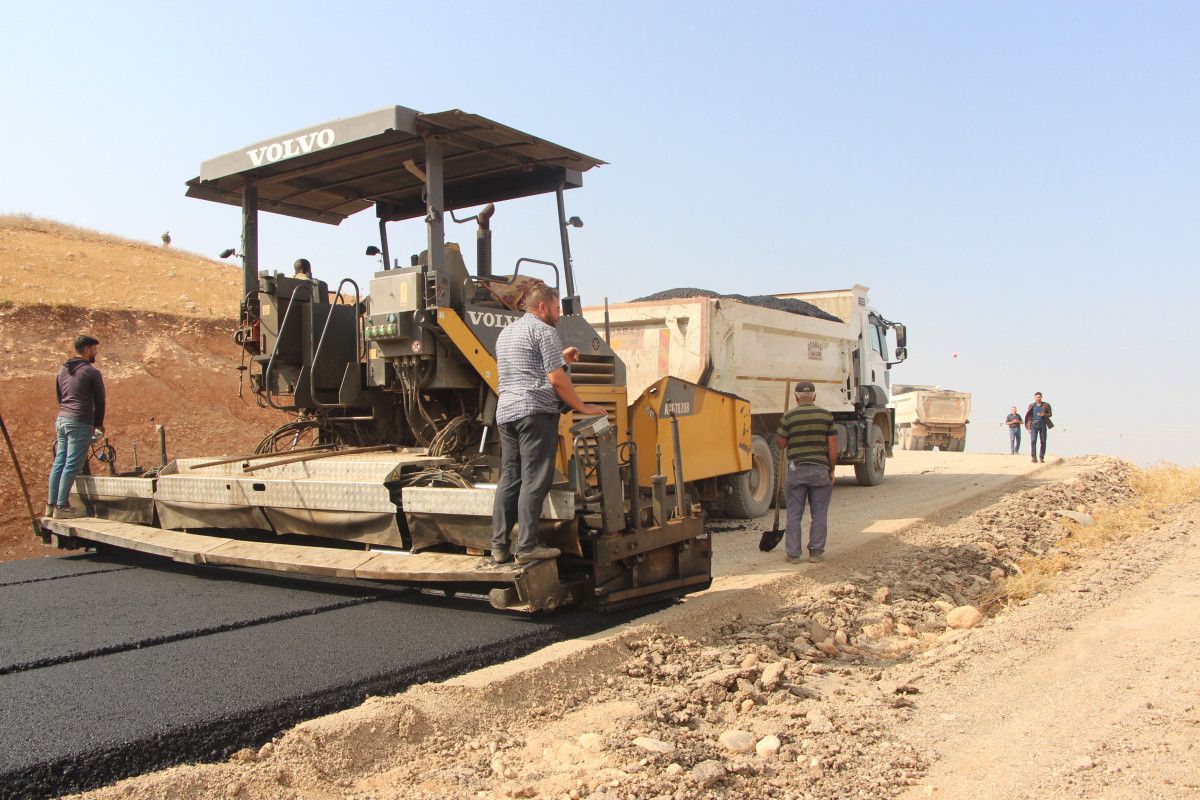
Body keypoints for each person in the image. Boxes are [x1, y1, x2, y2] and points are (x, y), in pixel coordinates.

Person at [491, 284, 606, 565]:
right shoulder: (545, 331)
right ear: (542, 307)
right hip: (534, 414)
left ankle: (499, 547)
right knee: (534, 477)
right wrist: (583, 406)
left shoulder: (506, 334)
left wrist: (561, 358)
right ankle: (528, 545)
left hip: (506, 412)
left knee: (510, 478)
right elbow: (556, 380)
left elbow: (527, 368)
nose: (558, 315)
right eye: (556, 309)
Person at [775, 380, 838, 564]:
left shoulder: (788, 416)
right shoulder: (826, 416)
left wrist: (786, 427)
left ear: (796, 397)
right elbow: (833, 447)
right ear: (814, 396)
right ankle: (816, 553)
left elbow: (781, 444)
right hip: (820, 470)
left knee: (794, 513)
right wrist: (831, 470)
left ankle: (794, 555)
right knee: (819, 514)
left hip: (796, 470)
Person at [47, 335, 105, 519]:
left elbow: (59, 397)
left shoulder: (63, 370)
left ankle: (51, 505)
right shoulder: (92, 372)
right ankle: (62, 507)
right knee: (72, 464)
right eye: (94, 349)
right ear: (87, 349)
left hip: (62, 419)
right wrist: (98, 424)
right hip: (79, 422)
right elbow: (100, 401)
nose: (96, 352)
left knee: (60, 463)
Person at [1024, 391, 1053, 463]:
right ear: (1034, 398)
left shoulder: (1046, 405)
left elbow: (1050, 414)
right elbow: (1029, 416)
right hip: (1034, 425)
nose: (1037, 398)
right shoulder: (1031, 406)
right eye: (1036, 397)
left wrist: (1044, 414)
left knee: (1043, 441)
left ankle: (1041, 457)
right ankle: (1034, 457)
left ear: (1041, 397)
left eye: (1039, 397)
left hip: (1042, 424)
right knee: (1033, 440)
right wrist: (1029, 426)